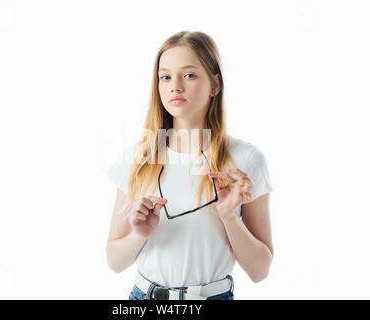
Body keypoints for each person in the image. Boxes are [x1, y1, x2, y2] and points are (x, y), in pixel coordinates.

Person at [105, 31, 274, 300]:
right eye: (166, 77)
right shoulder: (137, 158)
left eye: (189, 75)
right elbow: (114, 261)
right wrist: (140, 234)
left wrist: (230, 218)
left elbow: (260, 270)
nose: (175, 86)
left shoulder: (245, 160)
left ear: (215, 85)